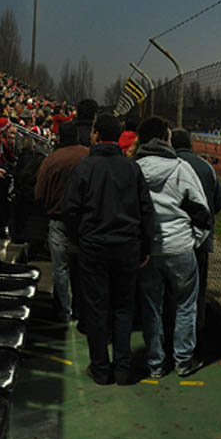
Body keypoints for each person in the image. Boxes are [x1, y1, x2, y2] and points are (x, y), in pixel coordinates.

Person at [62, 113, 155, 385]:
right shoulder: (131, 168)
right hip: (127, 246)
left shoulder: (85, 167)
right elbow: (146, 211)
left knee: (97, 307)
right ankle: (123, 368)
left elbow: (70, 210)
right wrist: (145, 246)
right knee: (123, 307)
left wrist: (79, 239)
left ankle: (101, 368)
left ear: (96, 135)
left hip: (94, 246)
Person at [135, 116, 210, 379]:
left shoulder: (134, 169)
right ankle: (183, 360)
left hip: (147, 250)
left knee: (151, 307)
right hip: (180, 246)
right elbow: (201, 211)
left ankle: (155, 363)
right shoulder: (181, 168)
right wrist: (194, 240)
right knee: (186, 305)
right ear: (166, 139)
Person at [171, 128, 221, 349]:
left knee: (170, 293)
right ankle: (194, 342)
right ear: (191, 144)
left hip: (172, 239)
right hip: (201, 240)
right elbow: (219, 201)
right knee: (197, 294)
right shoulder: (206, 167)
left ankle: (169, 342)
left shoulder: (168, 164)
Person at [34, 121, 88, 323]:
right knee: (82, 268)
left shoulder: (51, 160)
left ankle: (64, 312)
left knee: (60, 269)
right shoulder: (88, 155)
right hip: (85, 221)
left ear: (59, 137)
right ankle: (81, 309)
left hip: (58, 220)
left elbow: (39, 194)